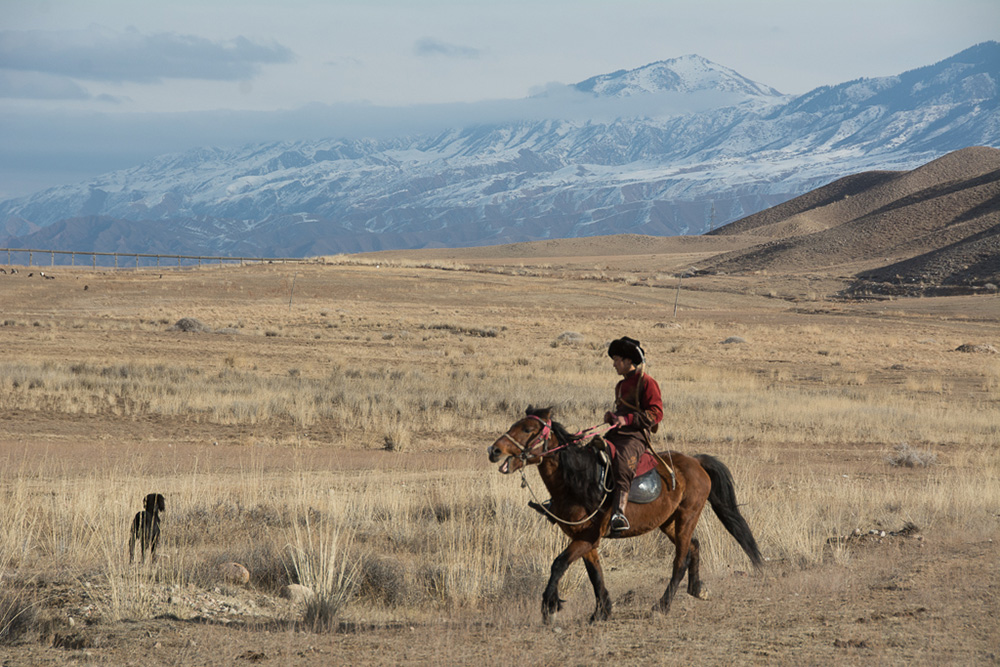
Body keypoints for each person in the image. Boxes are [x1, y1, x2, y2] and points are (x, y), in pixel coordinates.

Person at [603, 337, 663, 533]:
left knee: (622, 462)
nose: (613, 364)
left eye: (616, 359)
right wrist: (613, 417)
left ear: (628, 361)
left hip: (635, 437)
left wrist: (627, 420)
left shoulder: (647, 382)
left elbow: (656, 413)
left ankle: (619, 512)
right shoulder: (620, 386)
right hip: (617, 434)